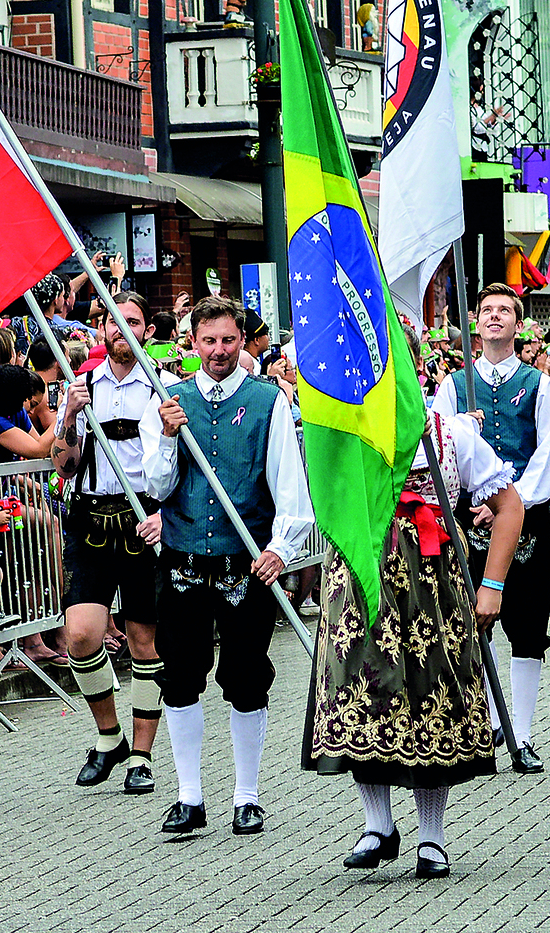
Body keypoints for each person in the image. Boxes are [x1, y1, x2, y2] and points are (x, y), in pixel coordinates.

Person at [305, 337, 527, 879]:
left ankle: (432, 837)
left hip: (434, 583)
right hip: (358, 577)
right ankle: (377, 825)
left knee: (434, 696)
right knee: (362, 693)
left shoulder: (449, 433)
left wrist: (492, 583)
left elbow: (509, 505)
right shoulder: (342, 432)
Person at [142, 296, 313, 837]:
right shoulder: (170, 401)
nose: (218, 351)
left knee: (245, 675)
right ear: (193, 343)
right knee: (181, 673)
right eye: (208, 341)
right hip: (184, 557)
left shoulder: (269, 403)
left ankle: (247, 795)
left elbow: (291, 488)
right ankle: (189, 796)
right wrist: (169, 438)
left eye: (229, 341)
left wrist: (281, 547)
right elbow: (157, 487)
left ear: (243, 342)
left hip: (247, 561)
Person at [430, 283, 550, 771]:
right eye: (486, 310)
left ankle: (521, 734)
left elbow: (549, 451)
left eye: (504, 310)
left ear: (517, 323)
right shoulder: (452, 385)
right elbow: (439, 453)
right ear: (474, 322)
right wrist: (475, 498)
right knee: (473, 626)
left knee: (528, 631)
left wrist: (511, 502)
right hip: (467, 522)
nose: (494, 317)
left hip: (527, 523)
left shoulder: (539, 384)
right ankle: (484, 726)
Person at [51, 291, 172, 794]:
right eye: (114, 322)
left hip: (145, 522)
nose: (123, 330)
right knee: (81, 635)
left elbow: (180, 463)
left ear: (147, 329)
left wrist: (166, 516)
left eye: (134, 322)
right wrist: (70, 421)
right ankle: (109, 737)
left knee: (145, 641)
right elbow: (62, 464)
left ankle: (141, 755)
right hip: (92, 521)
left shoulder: (165, 387)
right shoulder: (80, 387)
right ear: (101, 329)